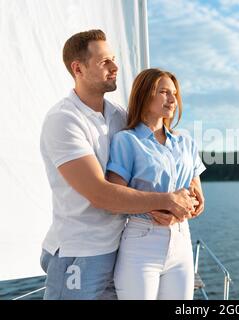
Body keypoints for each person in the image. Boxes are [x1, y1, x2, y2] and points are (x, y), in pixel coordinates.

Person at [39, 30, 197, 300]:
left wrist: (191, 186)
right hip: (80, 253)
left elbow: (160, 150)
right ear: (78, 68)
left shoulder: (118, 116)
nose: (115, 67)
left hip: (119, 247)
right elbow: (101, 194)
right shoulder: (64, 120)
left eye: (114, 59)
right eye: (104, 62)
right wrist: (169, 201)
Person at [106, 68, 206, 300]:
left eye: (174, 93)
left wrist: (182, 212)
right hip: (142, 244)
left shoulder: (186, 142)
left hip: (182, 242)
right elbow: (115, 199)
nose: (172, 99)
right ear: (145, 94)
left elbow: (198, 200)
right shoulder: (126, 140)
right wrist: (165, 205)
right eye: (163, 92)